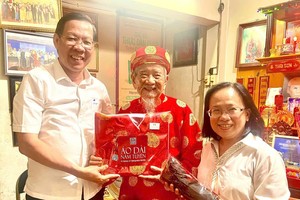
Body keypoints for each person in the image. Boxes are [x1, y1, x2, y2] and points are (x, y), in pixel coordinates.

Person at [13, 12, 119, 200]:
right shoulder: (37, 80)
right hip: (49, 193)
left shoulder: (99, 88)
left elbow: (106, 136)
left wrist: (102, 153)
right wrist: (79, 171)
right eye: (72, 38)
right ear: (56, 40)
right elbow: (27, 143)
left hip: (92, 191)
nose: (79, 47)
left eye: (87, 42)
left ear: (93, 47)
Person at [91, 46, 203, 199]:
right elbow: (113, 153)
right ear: (134, 80)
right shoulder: (125, 111)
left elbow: (194, 155)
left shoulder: (181, 110)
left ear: (166, 80)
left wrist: (174, 178)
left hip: (169, 192)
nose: (150, 81)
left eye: (157, 75)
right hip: (132, 192)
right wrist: (101, 161)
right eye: (143, 75)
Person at [197, 82, 290, 199]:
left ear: (247, 114)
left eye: (232, 109)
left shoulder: (265, 156)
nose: (224, 117)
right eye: (216, 110)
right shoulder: (207, 148)